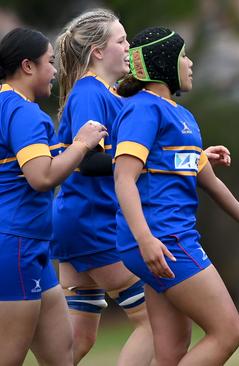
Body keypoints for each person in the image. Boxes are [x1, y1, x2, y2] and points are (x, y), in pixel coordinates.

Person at [112, 26, 239, 365]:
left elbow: (206, 179)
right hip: (164, 240)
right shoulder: (143, 110)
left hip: (165, 239)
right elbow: (124, 178)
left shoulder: (182, 115)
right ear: (164, 65)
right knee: (228, 331)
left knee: (171, 352)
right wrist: (146, 239)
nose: (190, 63)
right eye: (183, 56)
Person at [52, 9, 153, 365]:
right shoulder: (89, 94)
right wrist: (138, 166)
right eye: (121, 40)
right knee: (154, 321)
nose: (129, 47)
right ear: (97, 51)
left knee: (77, 338)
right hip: (93, 224)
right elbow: (88, 160)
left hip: (78, 222)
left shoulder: (107, 94)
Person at [0, 27, 106, 366]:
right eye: (50, 62)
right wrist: (81, 144)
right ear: (27, 66)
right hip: (16, 244)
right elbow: (41, 176)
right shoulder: (24, 111)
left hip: (30, 247)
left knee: (62, 354)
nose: (56, 71)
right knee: (9, 356)